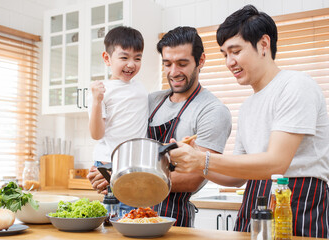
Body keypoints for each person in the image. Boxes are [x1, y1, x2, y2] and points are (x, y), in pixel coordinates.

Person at [168, 5, 329, 238]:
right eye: (225, 54)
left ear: (263, 45)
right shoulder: (247, 106)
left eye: (235, 51)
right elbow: (236, 177)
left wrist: (202, 159)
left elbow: (276, 164)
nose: (229, 62)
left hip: (297, 202)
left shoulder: (296, 85)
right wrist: (198, 163)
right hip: (255, 202)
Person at [147, 26, 231, 227]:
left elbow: (195, 176)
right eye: (167, 64)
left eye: (182, 63)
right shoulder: (150, 101)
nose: (173, 72)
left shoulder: (212, 110)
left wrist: (130, 181)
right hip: (127, 210)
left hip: (173, 219)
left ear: (200, 61)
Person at [88, 26, 148, 214]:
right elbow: (97, 134)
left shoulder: (141, 89)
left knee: (133, 211)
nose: (131, 64)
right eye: (124, 57)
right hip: (109, 163)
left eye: (137, 58)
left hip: (133, 163)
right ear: (107, 59)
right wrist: (97, 101)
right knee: (118, 214)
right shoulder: (102, 90)